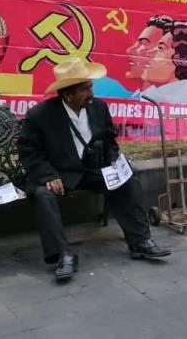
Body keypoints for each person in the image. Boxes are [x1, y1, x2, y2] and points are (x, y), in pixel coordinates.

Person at [17, 58, 171, 282]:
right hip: (58, 173)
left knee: (127, 181)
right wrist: (48, 175)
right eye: (84, 89)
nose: (91, 92)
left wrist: (112, 160)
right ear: (68, 94)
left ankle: (139, 241)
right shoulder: (40, 115)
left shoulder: (98, 107)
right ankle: (63, 254)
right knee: (43, 195)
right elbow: (29, 152)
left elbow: (109, 141)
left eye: (90, 86)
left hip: (90, 171)